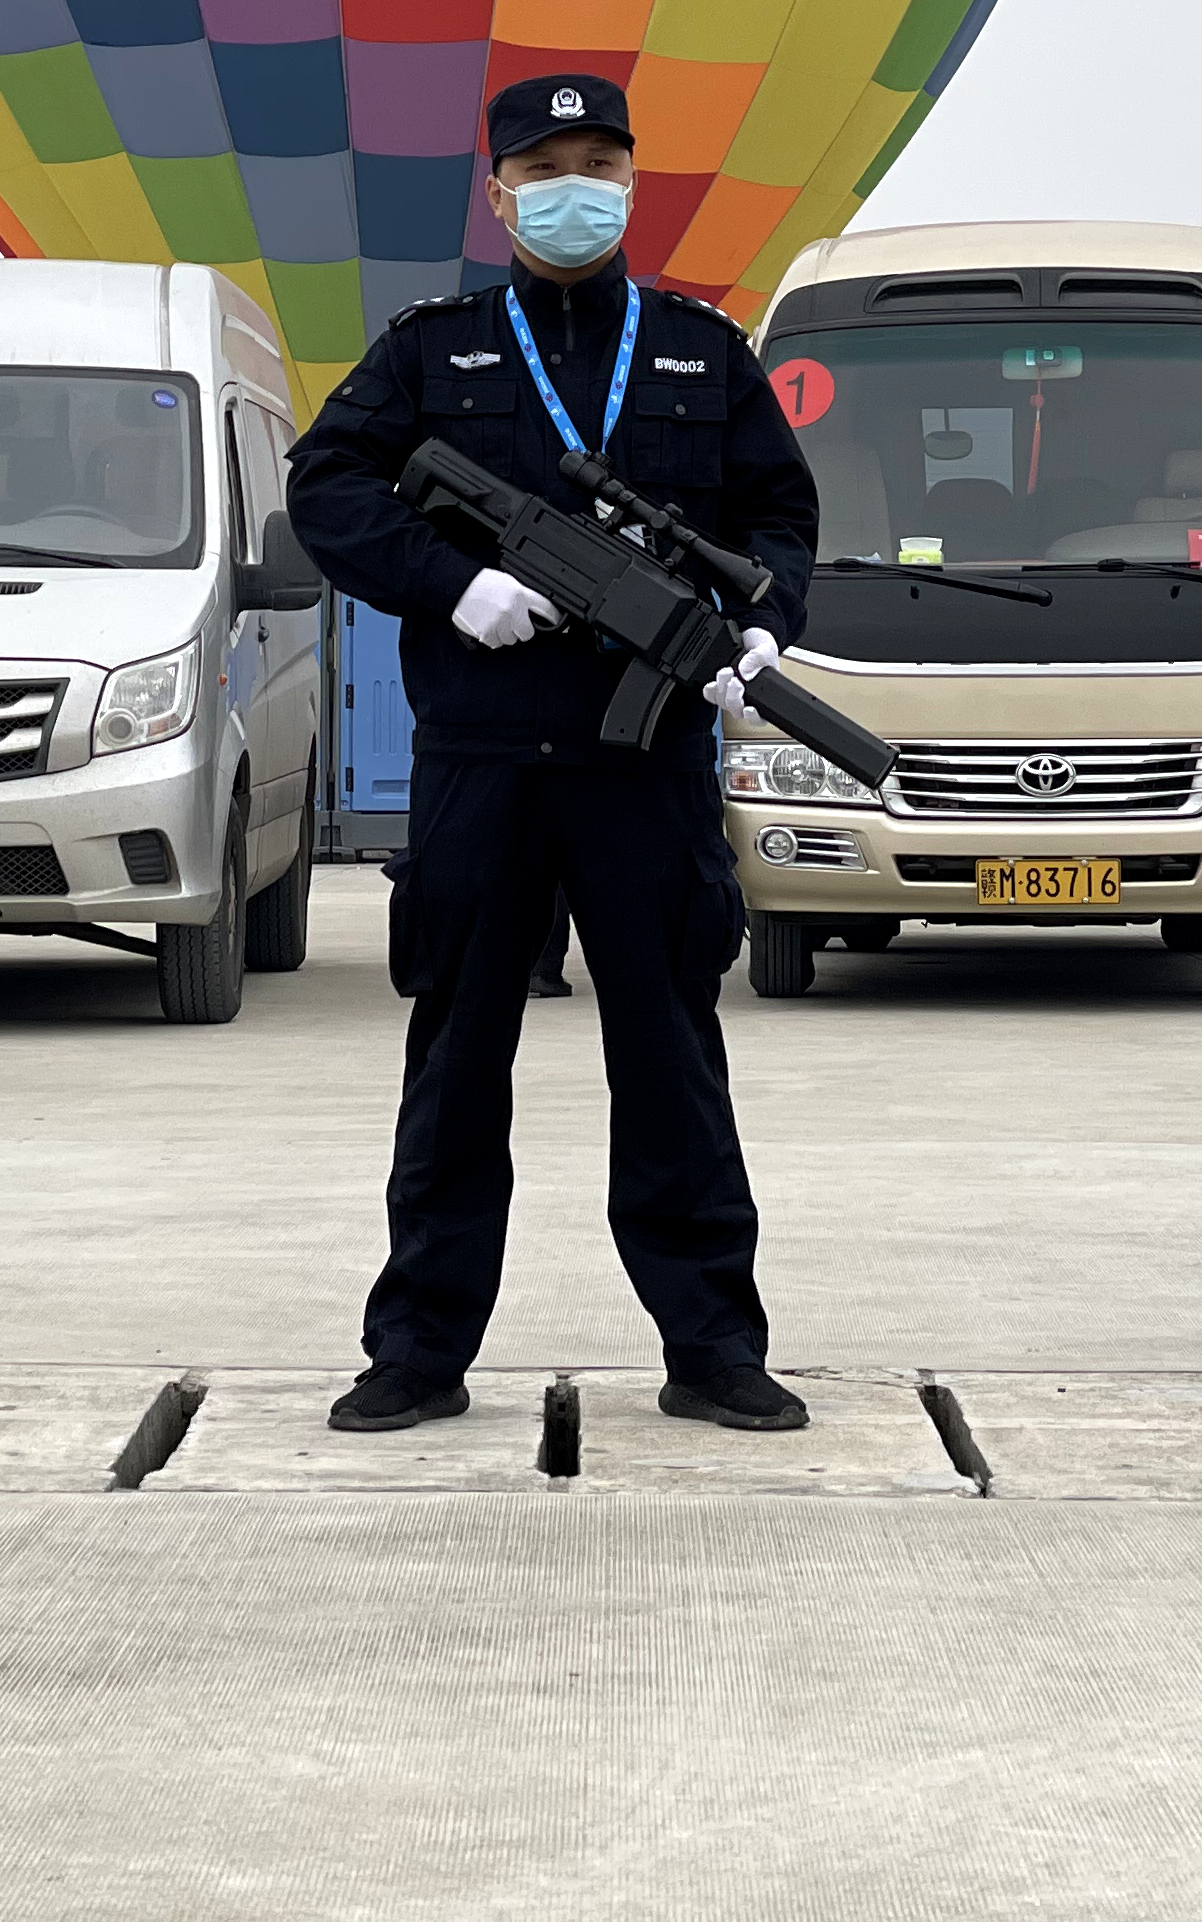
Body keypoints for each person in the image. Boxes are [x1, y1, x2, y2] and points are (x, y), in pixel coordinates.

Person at [289, 72, 820, 1436]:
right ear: (498, 190)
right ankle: (417, 1347)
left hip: (645, 777)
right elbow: (327, 483)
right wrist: (447, 582)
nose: (572, 186)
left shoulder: (702, 348)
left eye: (599, 161)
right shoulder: (431, 348)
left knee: (672, 1064)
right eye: (545, 166)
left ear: (632, 181)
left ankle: (713, 1348)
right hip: (484, 756)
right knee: (457, 1065)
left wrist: (760, 624)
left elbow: (779, 515)